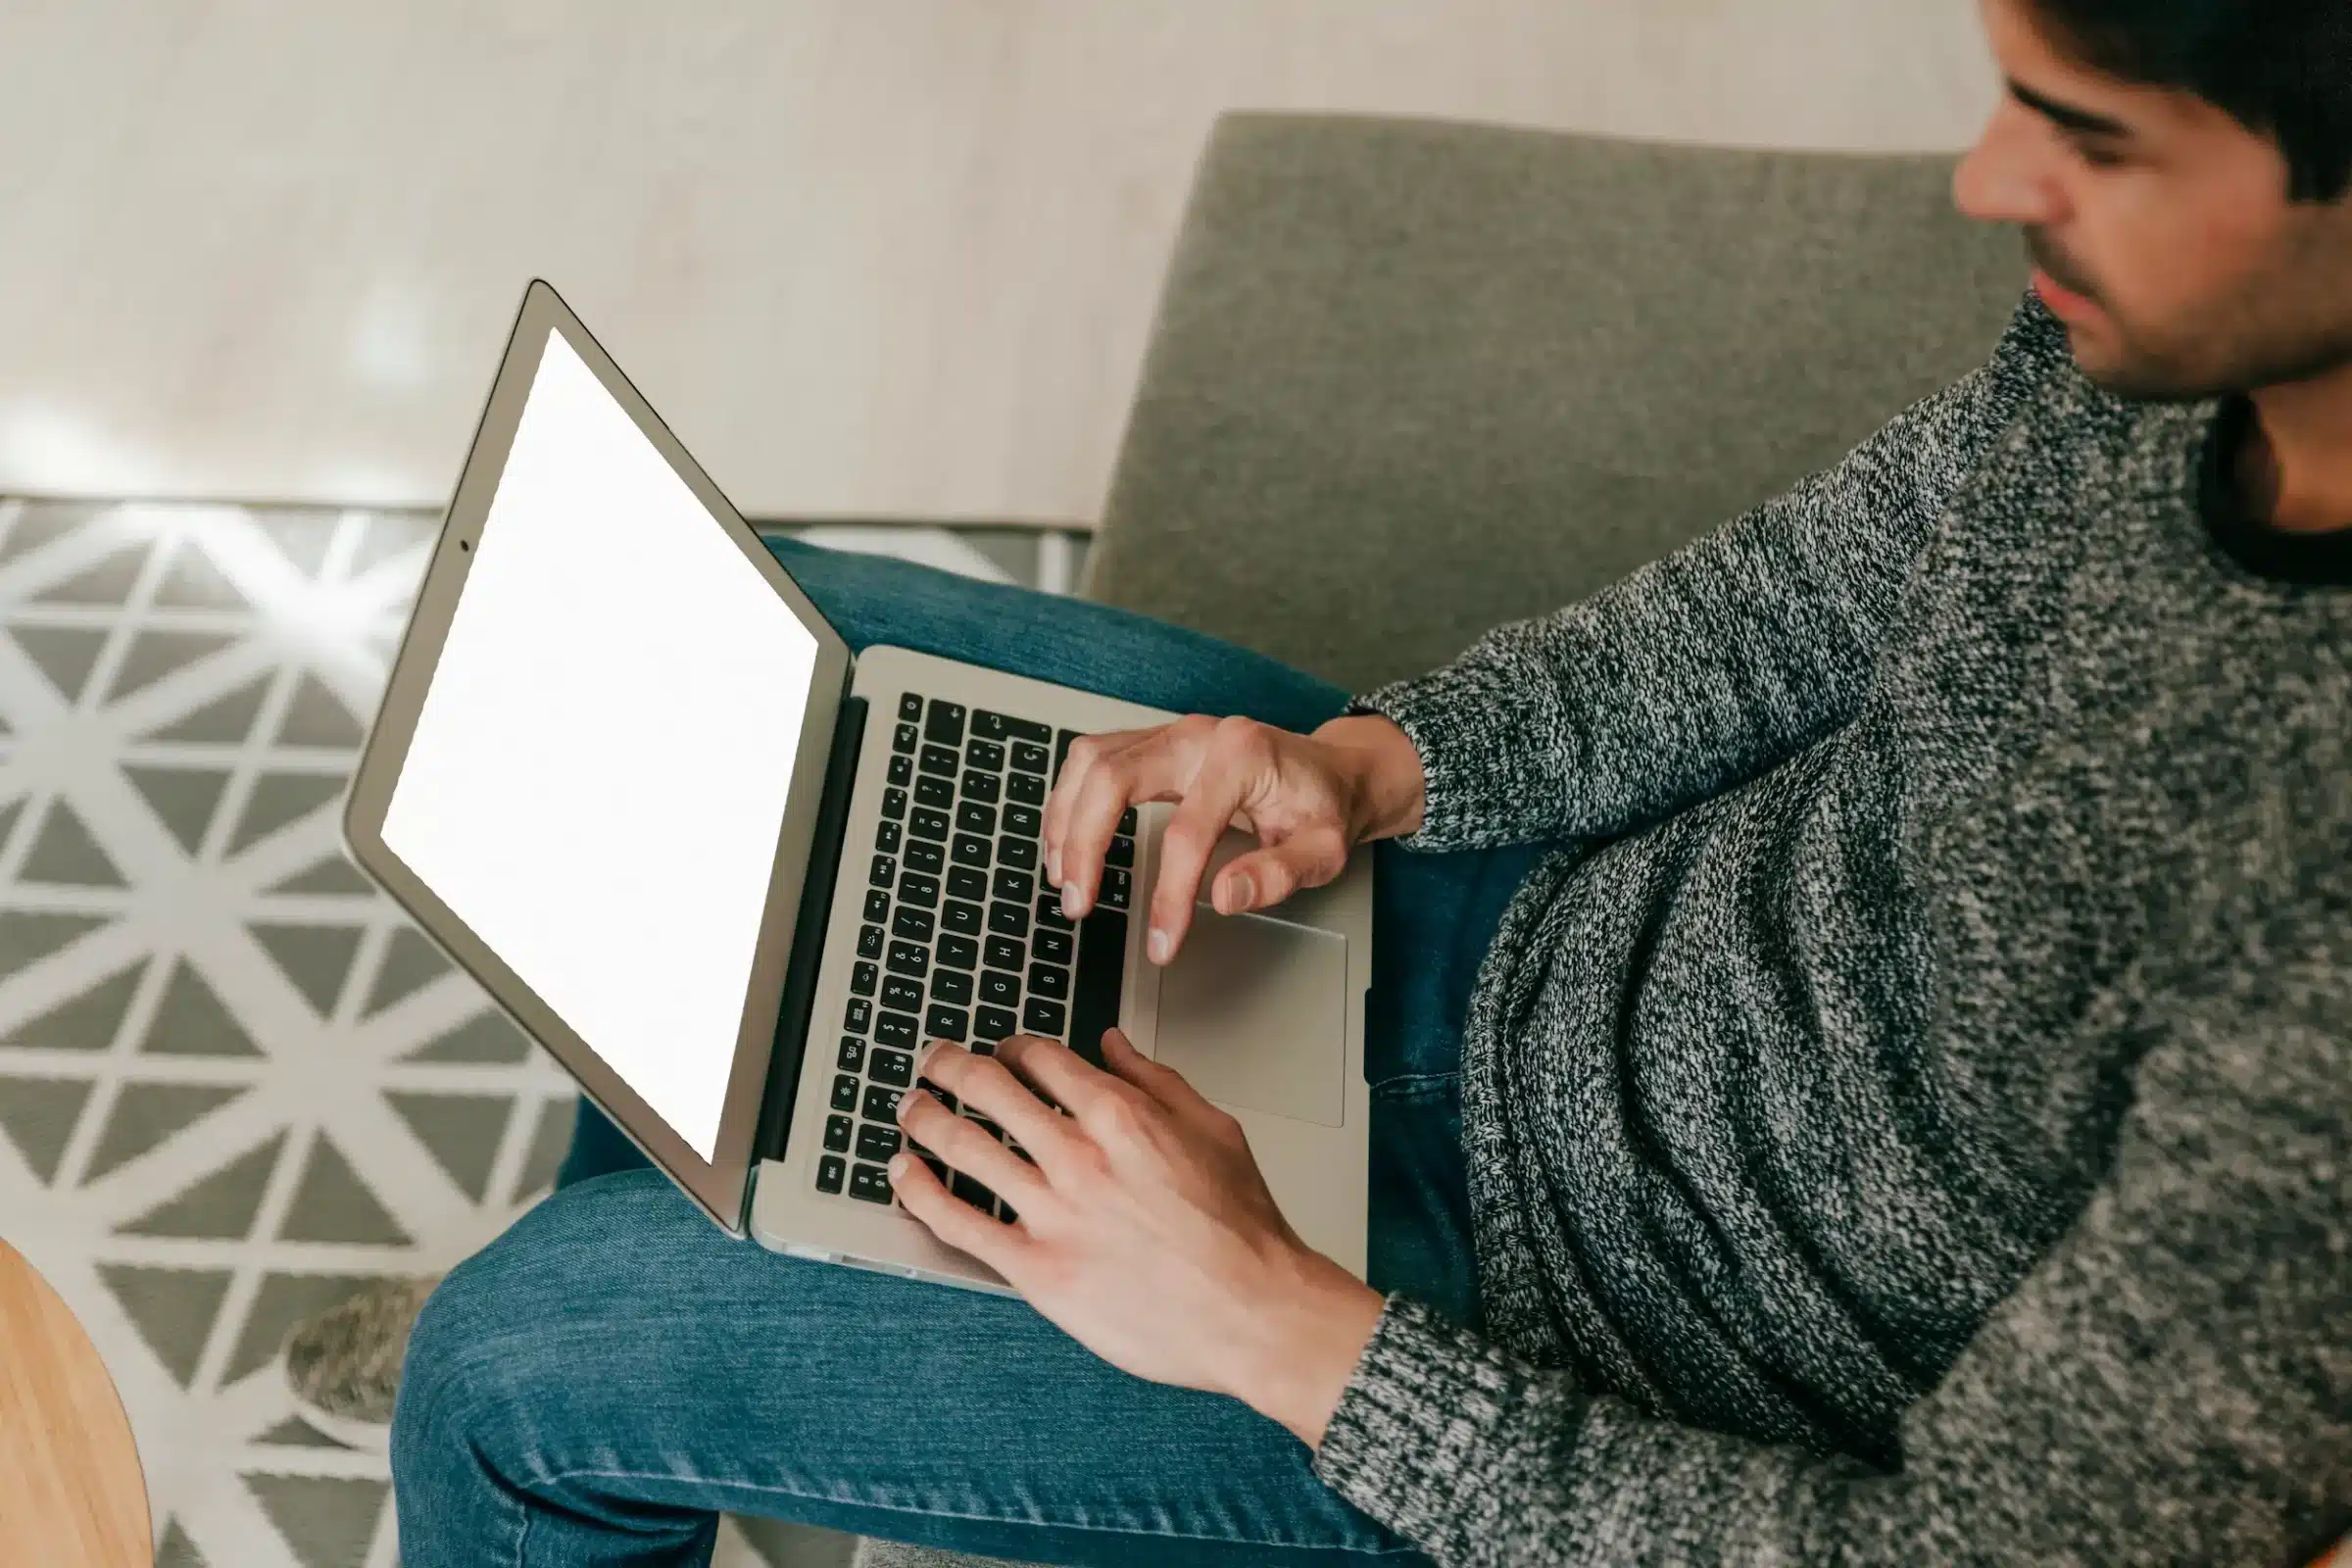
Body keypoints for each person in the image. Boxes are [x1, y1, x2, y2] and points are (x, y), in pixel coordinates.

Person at [288, 0, 2351, 1560]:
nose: (1989, 185)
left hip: (1529, 1349)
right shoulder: (2147, 353)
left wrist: (1274, 1321)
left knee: (504, 1371)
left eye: (2088, 137)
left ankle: (599, 1363)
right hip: (1536, 922)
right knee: (757, 676)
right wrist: (1372, 768)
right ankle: (706, 1271)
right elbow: (1804, 600)